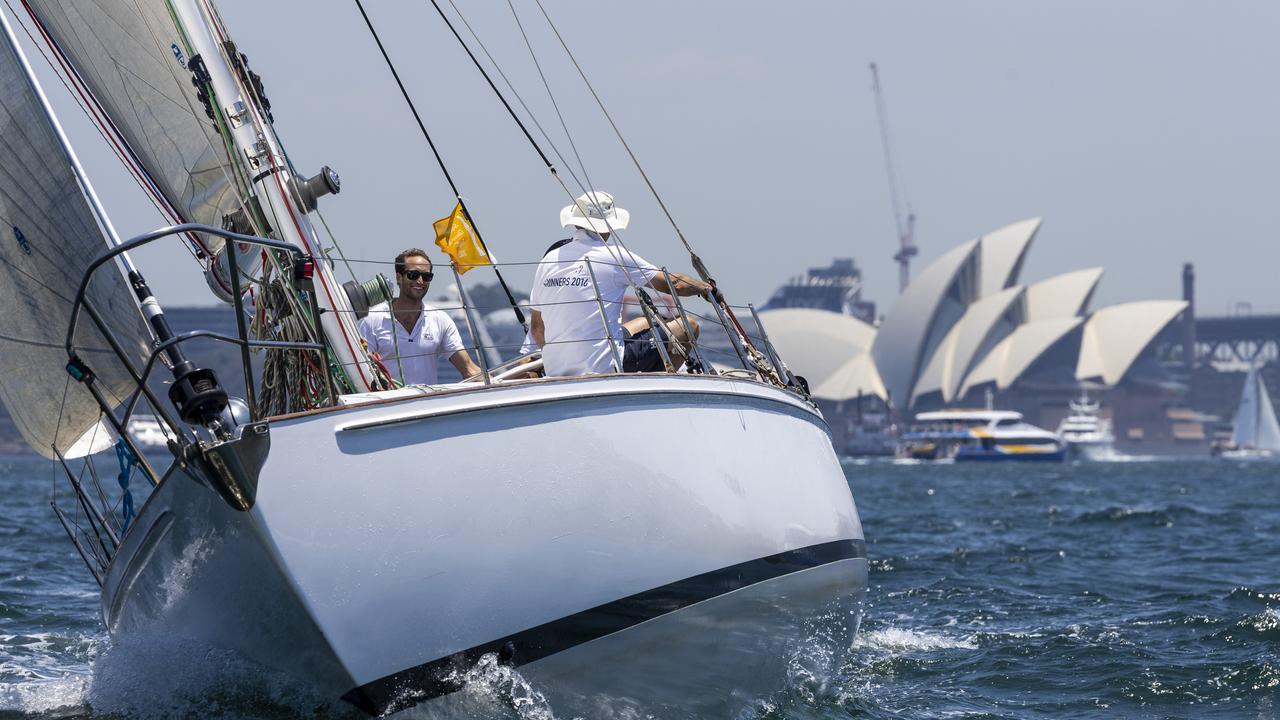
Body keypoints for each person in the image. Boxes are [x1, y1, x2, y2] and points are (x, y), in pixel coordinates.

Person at [528, 191, 715, 377]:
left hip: (557, 370)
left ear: (576, 222)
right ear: (608, 225)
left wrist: (568, 360)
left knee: (643, 322)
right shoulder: (614, 256)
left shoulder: (549, 260)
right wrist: (705, 288)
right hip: (606, 366)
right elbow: (675, 284)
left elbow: (537, 329)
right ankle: (660, 383)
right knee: (688, 326)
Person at [358, 248, 482, 385]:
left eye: (426, 277)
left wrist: (503, 382)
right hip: (388, 404)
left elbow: (469, 370)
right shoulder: (372, 319)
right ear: (399, 277)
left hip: (427, 404)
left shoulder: (440, 320)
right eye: (413, 275)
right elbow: (363, 374)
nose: (420, 281)